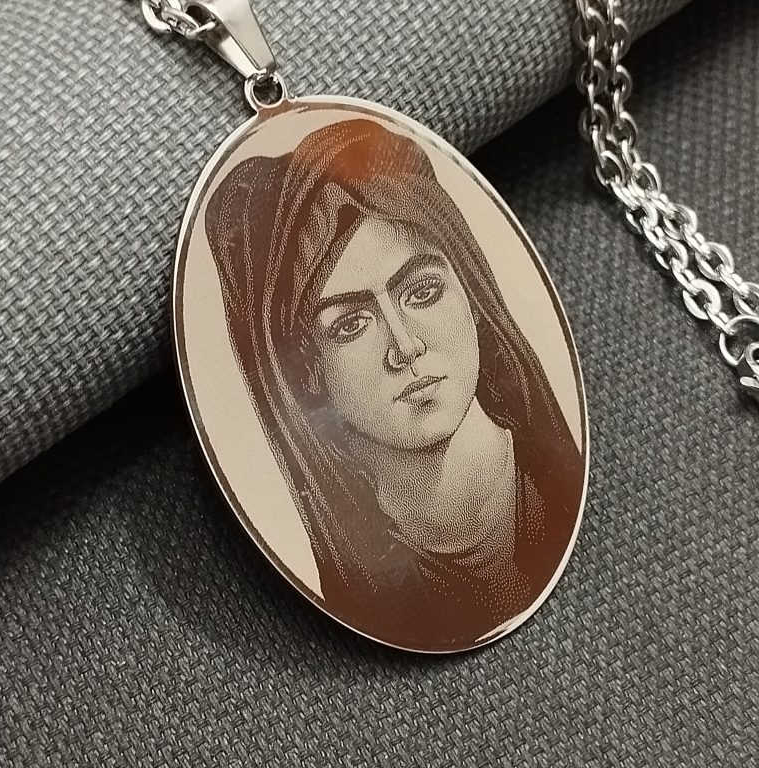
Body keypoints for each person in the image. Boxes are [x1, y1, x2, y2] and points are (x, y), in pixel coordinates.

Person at [204, 117, 584, 650]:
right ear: (306, 373)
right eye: (351, 325)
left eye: (422, 292)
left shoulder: (549, 487)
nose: (405, 346)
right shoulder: (374, 587)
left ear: (471, 292)